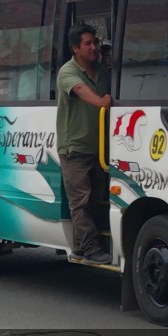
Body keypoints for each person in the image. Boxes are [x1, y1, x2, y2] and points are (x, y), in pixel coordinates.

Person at [56, 24, 112, 265]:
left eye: (95, 43)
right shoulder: (67, 72)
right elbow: (80, 90)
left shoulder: (102, 71)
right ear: (75, 48)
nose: (93, 47)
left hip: (99, 147)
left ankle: (79, 246)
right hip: (75, 147)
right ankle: (89, 247)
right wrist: (101, 102)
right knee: (80, 201)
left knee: (96, 197)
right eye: (88, 44)